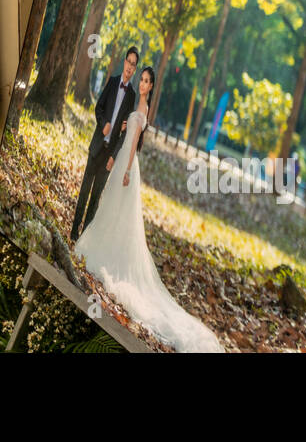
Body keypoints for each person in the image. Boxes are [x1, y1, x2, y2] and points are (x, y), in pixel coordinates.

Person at [75, 67, 225, 353]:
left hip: (128, 165)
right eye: (141, 80)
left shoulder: (143, 107)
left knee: (117, 209)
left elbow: (133, 144)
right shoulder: (136, 105)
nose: (142, 84)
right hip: (122, 161)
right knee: (111, 208)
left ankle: (110, 254)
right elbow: (127, 132)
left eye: (146, 81)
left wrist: (126, 167)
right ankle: (105, 246)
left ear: (151, 86)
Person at [71, 47, 138, 242]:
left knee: (95, 198)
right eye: (129, 62)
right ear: (124, 62)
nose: (130, 67)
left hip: (109, 153)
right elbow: (98, 107)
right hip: (97, 146)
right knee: (84, 191)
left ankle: (84, 238)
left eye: (134, 64)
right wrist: (103, 125)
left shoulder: (132, 95)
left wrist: (114, 157)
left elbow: (125, 132)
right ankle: (74, 231)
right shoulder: (112, 82)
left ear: (134, 69)